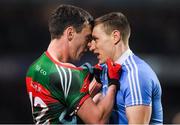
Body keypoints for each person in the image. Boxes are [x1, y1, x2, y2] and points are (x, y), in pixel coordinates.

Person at [25, 5, 121, 124]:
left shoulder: (34, 67)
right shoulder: (68, 75)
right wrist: (113, 83)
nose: (89, 46)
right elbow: (98, 121)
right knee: (99, 98)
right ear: (70, 33)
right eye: (87, 38)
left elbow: (63, 102)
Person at [88, 12, 163, 124]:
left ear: (115, 37)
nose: (92, 47)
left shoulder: (136, 74)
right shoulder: (105, 70)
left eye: (96, 39)